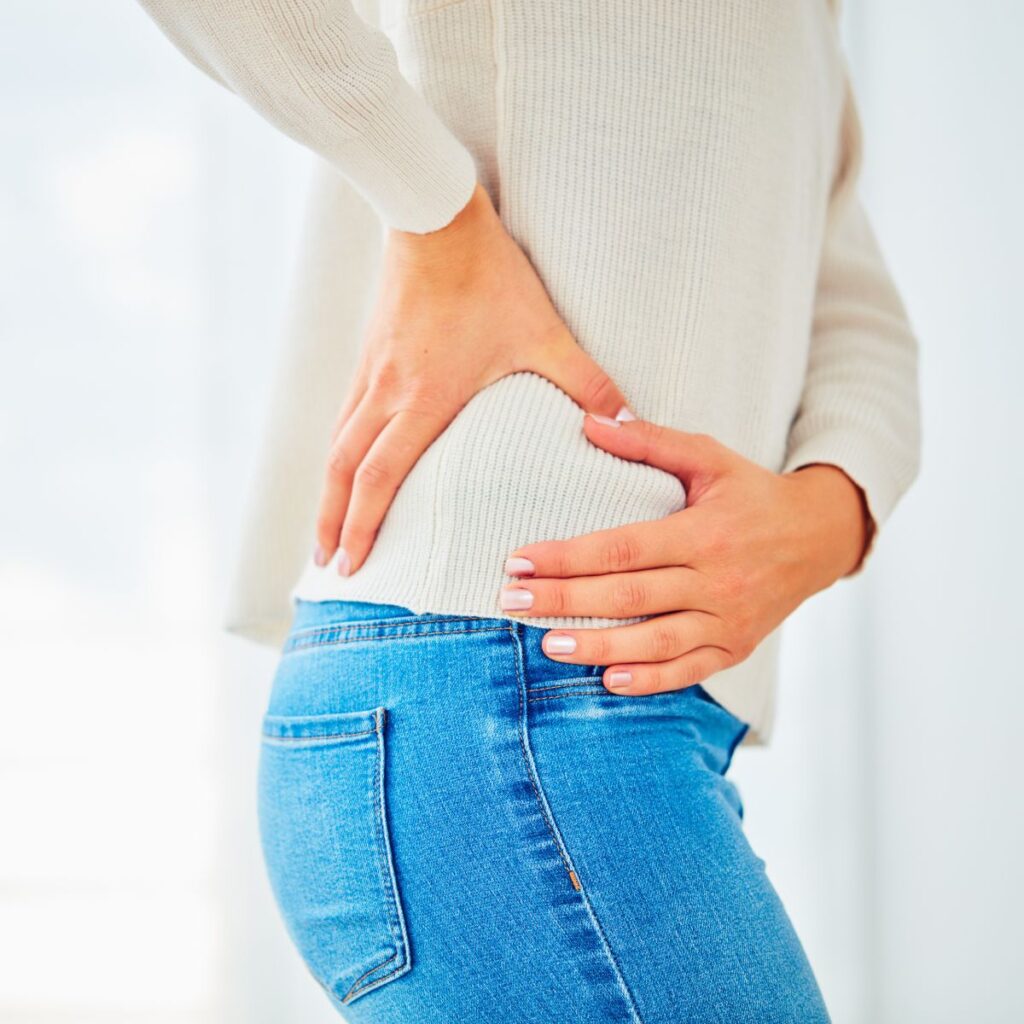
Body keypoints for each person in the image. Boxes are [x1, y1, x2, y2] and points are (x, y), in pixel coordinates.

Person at [137, 1, 921, 1020]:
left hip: (573, 712)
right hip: (505, 686)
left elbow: (854, 300)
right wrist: (437, 213)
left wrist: (824, 518)